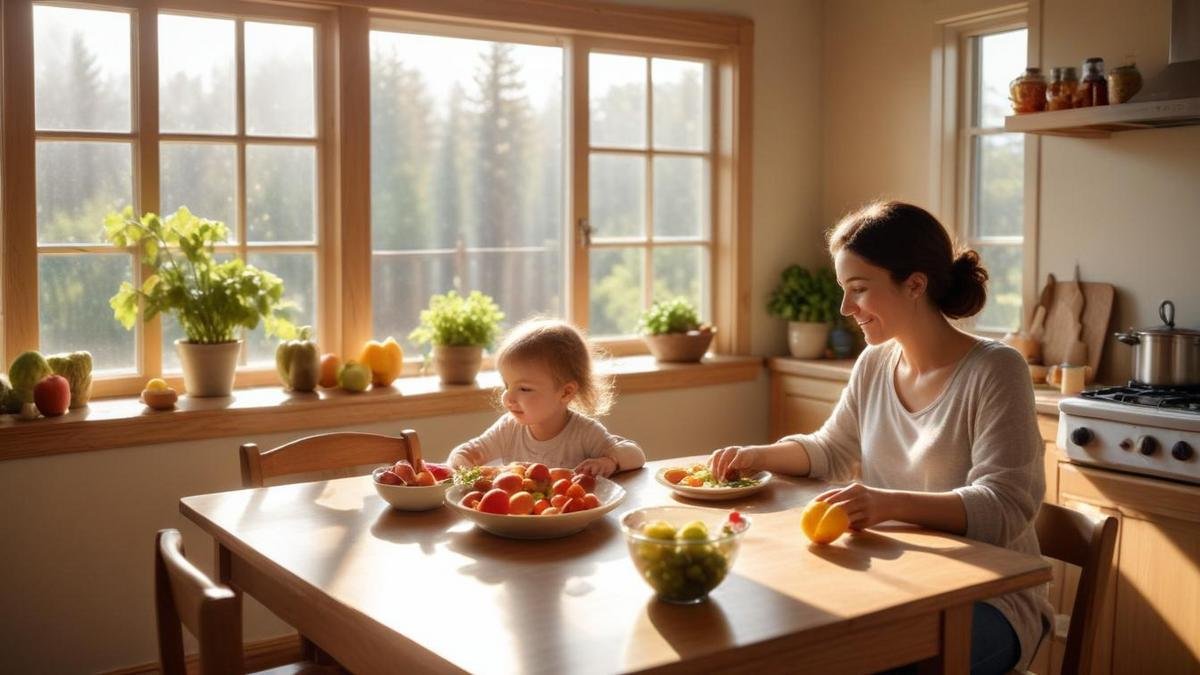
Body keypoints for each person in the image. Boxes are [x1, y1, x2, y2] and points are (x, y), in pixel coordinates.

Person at [709, 201, 1051, 675]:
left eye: (859, 289)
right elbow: (831, 450)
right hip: (901, 582)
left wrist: (885, 504)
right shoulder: (874, 364)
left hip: (991, 601)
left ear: (914, 285)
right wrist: (756, 455)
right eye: (843, 290)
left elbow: (1005, 507)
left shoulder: (996, 370)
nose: (846, 308)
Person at [448, 318, 645, 477]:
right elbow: (467, 453)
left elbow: (636, 455)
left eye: (524, 389)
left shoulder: (584, 432)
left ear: (565, 392)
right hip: (517, 520)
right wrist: (461, 464)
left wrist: (608, 462)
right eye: (507, 385)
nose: (508, 397)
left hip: (571, 518)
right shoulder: (508, 428)